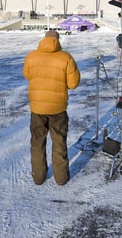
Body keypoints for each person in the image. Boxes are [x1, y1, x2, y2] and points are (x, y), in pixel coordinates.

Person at [23, 30, 80, 185]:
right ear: (58, 40)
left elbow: (28, 75)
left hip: (37, 108)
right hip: (58, 109)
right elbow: (73, 83)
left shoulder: (32, 56)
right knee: (59, 142)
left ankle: (38, 177)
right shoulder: (65, 57)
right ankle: (61, 178)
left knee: (37, 142)